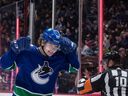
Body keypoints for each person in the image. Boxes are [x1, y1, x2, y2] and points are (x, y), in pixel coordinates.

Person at [0, 28, 80, 96]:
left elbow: (75, 68)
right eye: (50, 44)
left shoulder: (58, 58)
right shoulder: (28, 52)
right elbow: (4, 65)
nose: (53, 49)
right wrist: (13, 51)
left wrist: (71, 52)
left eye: (56, 46)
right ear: (43, 42)